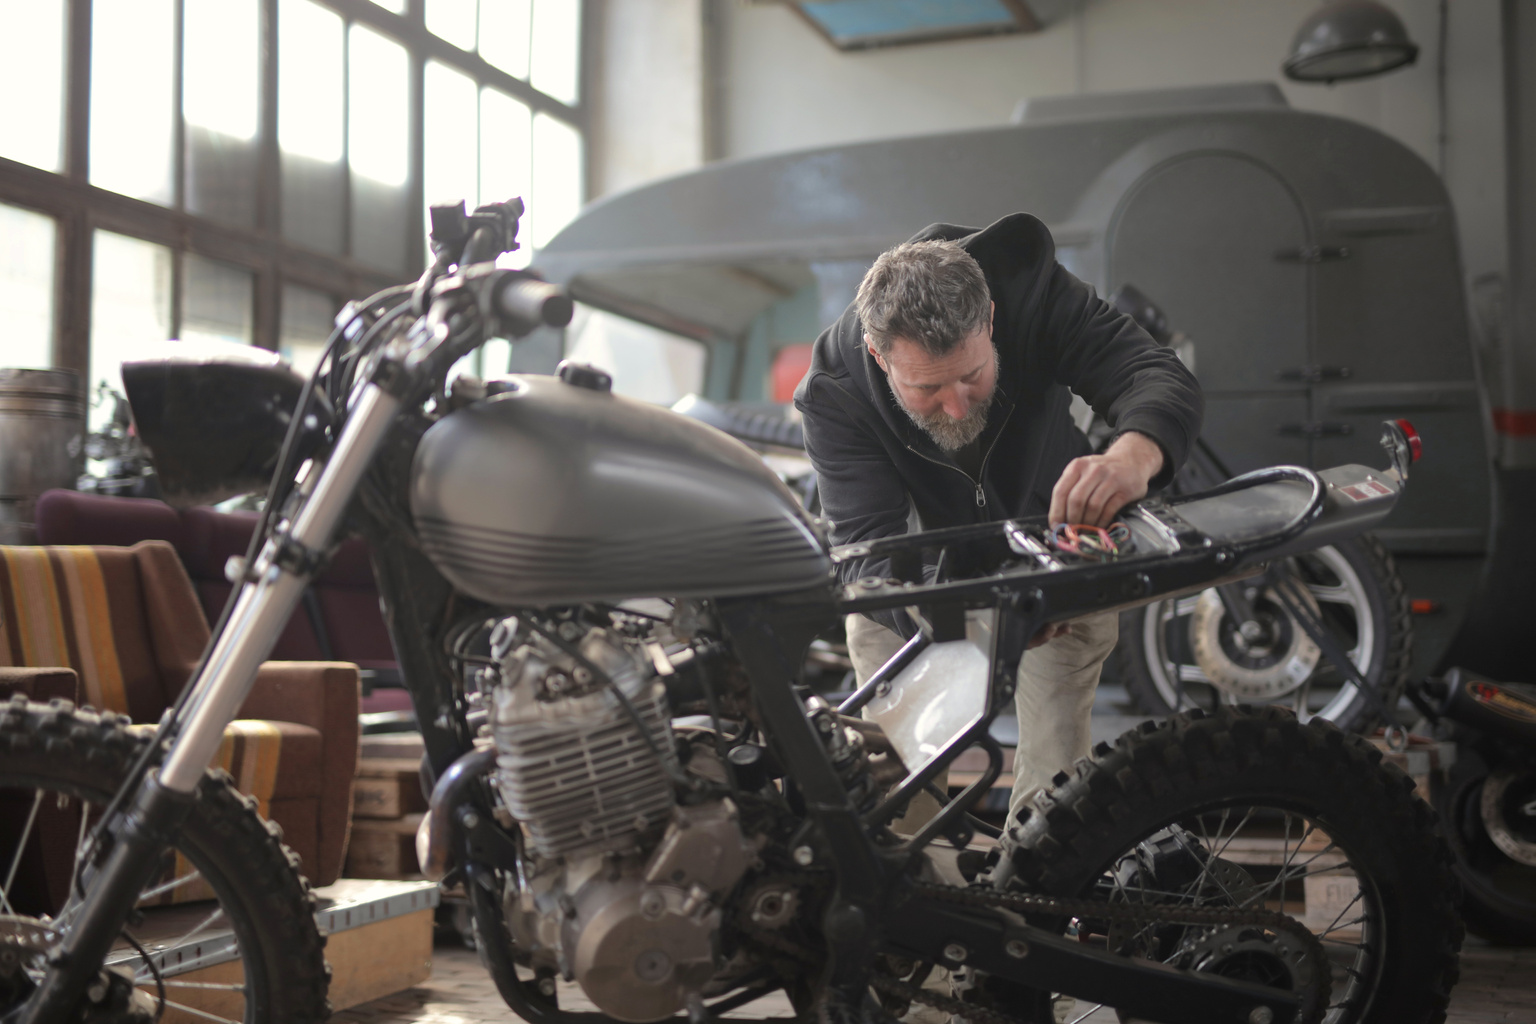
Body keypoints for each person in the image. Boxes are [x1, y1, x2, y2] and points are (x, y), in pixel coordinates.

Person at [794, 212, 1203, 825]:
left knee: (1058, 768)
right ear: (879, 357)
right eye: (926, 389)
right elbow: (867, 552)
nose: (957, 405)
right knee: (893, 771)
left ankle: (1042, 883)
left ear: (989, 320)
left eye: (972, 374)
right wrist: (973, 610)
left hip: (1057, 550)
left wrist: (1131, 456)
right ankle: (923, 903)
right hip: (909, 587)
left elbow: (1151, 373)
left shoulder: (1032, 296)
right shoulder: (835, 388)